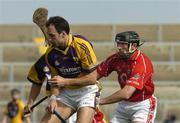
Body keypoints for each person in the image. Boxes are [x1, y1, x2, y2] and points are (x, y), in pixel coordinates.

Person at [48, 31, 157, 123]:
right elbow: (93, 77)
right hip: (123, 106)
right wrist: (71, 83)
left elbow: (126, 93)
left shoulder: (142, 63)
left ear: (133, 46)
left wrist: (101, 101)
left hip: (142, 105)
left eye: (123, 44)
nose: (119, 47)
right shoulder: (115, 59)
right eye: (118, 43)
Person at [24, 16, 100, 123]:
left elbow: (92, 78)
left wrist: (65, 81)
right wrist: (53, 97)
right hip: (66, 94)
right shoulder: (50, 53)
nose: (49, 39)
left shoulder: (82, 45)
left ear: (63, 34)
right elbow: (56, 81)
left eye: (52, 36)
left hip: (86, 92)